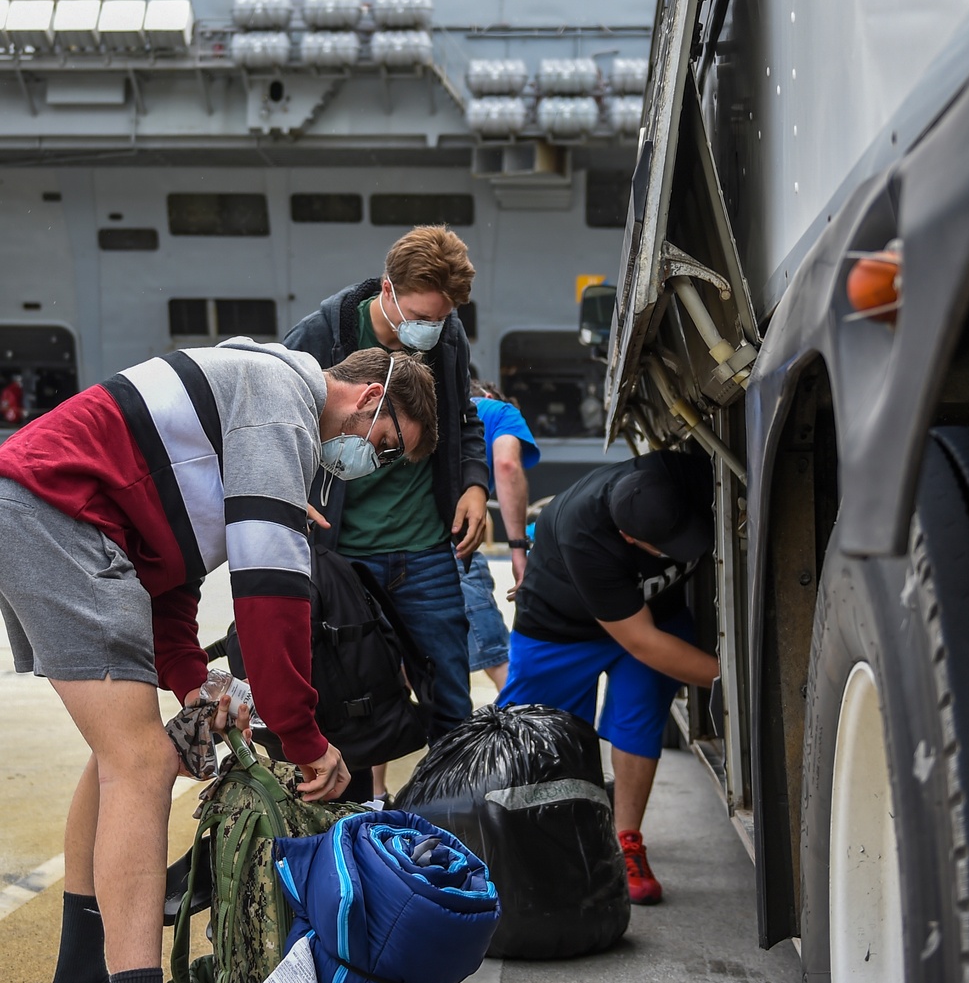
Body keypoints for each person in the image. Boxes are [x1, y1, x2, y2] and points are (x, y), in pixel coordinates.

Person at [0, 339, 437, 983]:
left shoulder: (251, 397)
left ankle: (80, 969)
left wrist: (191, 682)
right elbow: (272, 581)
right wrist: (302, 734)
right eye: (390, 444)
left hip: (51, 513)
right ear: (372, 396)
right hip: (59, 516)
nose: (376, 462)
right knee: (142, 761)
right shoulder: (279, 401)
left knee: (120, 753)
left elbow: (169, 575)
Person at [284, 226, 489, 748]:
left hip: (424, 552)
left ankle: (449, 810)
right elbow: (279, 428)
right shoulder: (318, 337)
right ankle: (353, 814)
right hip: (342, 554)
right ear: (386, 288)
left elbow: (464, 418)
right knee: (347, 693)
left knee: (450, 695)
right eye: (421, 318)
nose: (432, 329)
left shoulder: (448, 337)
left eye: (442, 319)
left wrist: (472, 484)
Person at [498, 449, 719, 906]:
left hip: (656, 615)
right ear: (627, 536)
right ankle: (521, 841)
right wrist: (734, 682)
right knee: (532, 734)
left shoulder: (682, 472)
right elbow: (641, 643)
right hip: (561, 628)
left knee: (639, 720)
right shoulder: (585, 532)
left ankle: (626, 841)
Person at [459, 380, 540, 691]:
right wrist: (518, 549)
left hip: (386, 545)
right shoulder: (498, 411)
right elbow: (506, 464)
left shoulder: (423, 404)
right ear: (489, 396)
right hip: (453, 543)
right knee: (497, 654)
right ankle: (525, 732)